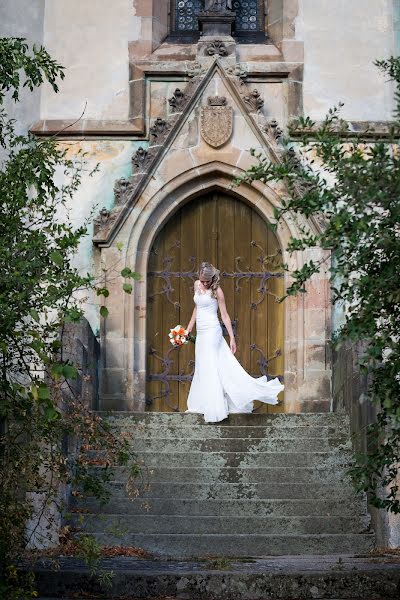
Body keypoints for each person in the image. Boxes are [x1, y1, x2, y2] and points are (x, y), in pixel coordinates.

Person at [185, 262, 284, 423]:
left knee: (210, 365)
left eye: (206, 281)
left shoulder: (217, 291)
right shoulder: (196, 285)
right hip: (201, 332)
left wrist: (231, 337)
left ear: (212, 278)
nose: (204, 284)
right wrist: (188, 329)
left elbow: (224, 315)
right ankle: (202, 403)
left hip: (212, 331)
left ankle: (214, 407)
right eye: (202, 280)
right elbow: (197, 308)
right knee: (203, 364)